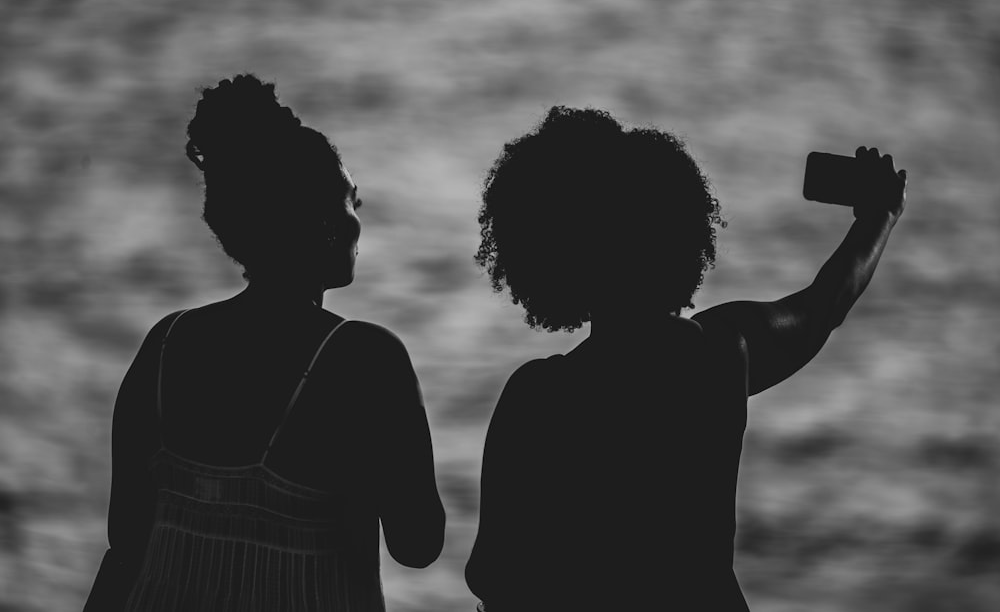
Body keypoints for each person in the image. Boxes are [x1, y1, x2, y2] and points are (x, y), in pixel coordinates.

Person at [464, 107, 906, 611]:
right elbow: (822, 306)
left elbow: (491, 571)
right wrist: (879, 218)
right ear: (677, 231)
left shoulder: (538, 395)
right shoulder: (720, 354)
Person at [84, 74, 445, 611]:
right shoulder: (367, 358)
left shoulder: (166, 344)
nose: (357, 223)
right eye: (353, 202)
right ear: (324, 222)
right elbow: (417, 544)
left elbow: (126, 539)